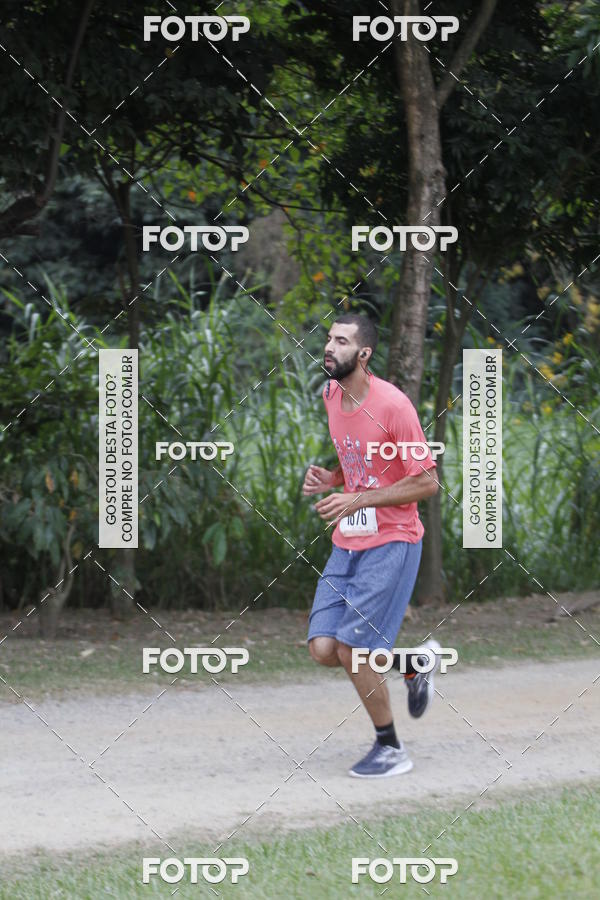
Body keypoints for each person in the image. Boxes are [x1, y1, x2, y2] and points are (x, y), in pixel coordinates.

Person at [303, 313, 441, 778]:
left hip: (393, 540)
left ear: (363, 355)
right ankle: (415, 661)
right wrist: (333, 479)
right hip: (350, 538)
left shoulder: (394, 406)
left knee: (352, 650)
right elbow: (361, 464)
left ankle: (390, 748)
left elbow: (425, 482)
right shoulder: (330, 394)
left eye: (340, 341)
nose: (329, 346)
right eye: (328, 338)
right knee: (323, 647)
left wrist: (357, 496)